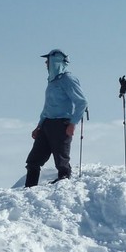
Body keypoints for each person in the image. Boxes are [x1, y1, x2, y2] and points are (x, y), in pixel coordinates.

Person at [24, 49, 88, 187]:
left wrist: (72, 123)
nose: (46, 64)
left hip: (61, 123)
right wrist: (39, 125)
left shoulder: (68, 79)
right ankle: (29, 188)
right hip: (47, 123)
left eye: (48, 61)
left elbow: (81, 102)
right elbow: (48, 107)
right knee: (33, 160)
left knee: (61, 158)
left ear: (56, 62)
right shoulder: (52, 81)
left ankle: (64, 183)